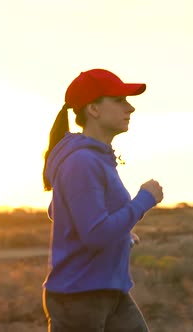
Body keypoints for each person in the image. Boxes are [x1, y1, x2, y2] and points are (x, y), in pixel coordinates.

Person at [41, 68, 164, 331]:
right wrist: (144, 200)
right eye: (119, 100)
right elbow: (94, 233)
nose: (130, 108)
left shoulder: (96, 157)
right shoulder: (82, 161)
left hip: (108, 290)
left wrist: (122, 236)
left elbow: (61, 211)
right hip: (79, 297)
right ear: (93, 110)